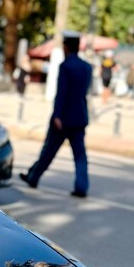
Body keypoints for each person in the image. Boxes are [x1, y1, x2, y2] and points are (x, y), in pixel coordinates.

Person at [19, 32, 92, 198]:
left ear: (66, 47)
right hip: (79, 117)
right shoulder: (87, 67)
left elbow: (62, 93)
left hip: (64, 118)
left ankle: (33, 176)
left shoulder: (65, 66)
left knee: (48, 151)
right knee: (80, 156)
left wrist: (57, 114)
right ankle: (81, 187)